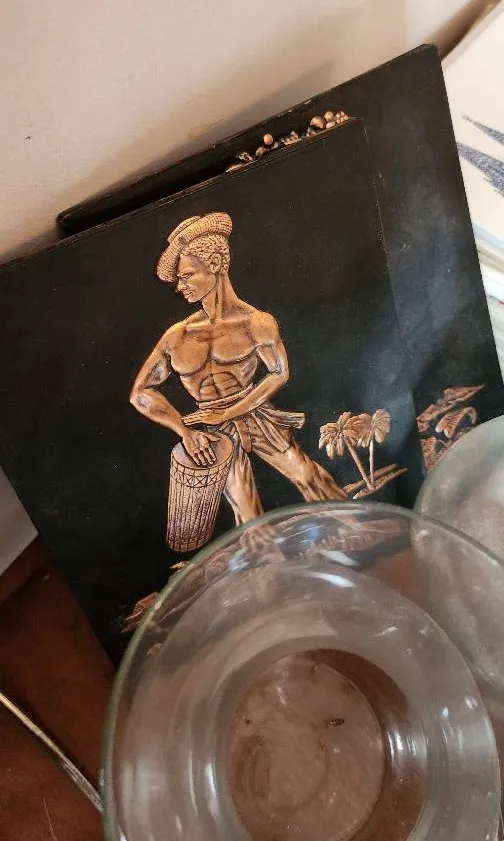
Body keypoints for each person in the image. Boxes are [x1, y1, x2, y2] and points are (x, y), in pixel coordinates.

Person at [130, 211, 346, 530]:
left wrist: (232, 411)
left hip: (255, 414)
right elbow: (140, 393)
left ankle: (354, 525)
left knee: (305, 474)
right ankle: (266, 560)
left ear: (216, 264)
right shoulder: (177, 336)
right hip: (213, 430)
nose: (179, 286)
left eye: (187, 275)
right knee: (246, 511)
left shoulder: (256, 323)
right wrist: (185, 433)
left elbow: (279, 372)